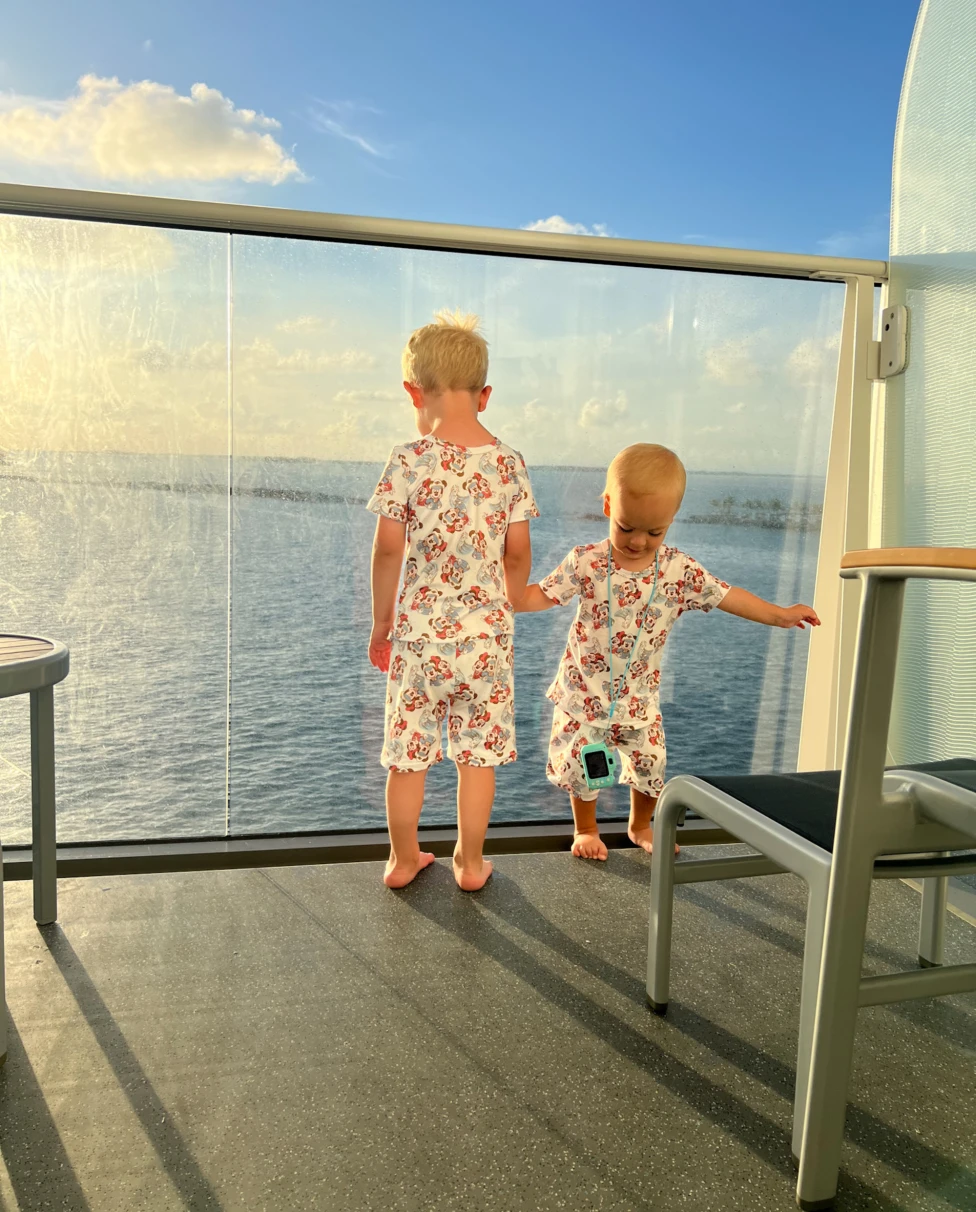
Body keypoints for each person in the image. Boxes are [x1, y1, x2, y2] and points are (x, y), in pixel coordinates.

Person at [516, 443, 819, 861]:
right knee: (581, 765)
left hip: (639, 699)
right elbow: (540, 595)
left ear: (671, 520)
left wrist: (779, 614)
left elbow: (728, 596)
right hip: (583, 695)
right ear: (607, 506)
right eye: (626, 528)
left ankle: (641, 824)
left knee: (651, 763)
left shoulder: (679, 572)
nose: (638, 541)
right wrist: (500, 597)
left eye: (654, 532)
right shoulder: (586, 562)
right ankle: (585, 829)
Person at [367, 311, 538, 890]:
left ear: (413, 392)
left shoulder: (407, 459)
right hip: (486, 639)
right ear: (484, 396)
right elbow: (518, 553)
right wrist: (506, 601)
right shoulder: (509, 463)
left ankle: (402, 859)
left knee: (407, 758)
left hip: (419, 638)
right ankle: (469, 863)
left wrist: (382, 625)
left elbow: (387, 550)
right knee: (477, 759)